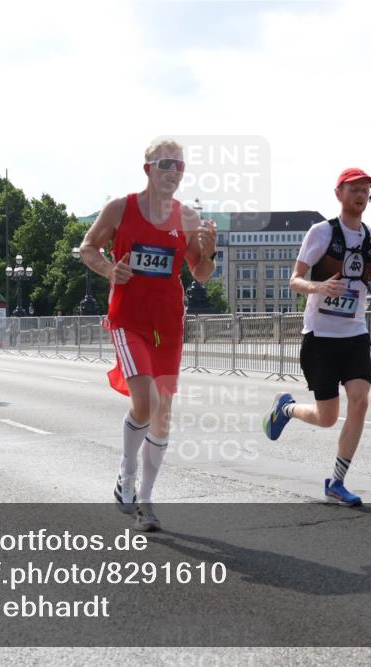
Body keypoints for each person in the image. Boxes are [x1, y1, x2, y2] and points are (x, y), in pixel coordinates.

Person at [79, 138, 217, 531]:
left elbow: (200, 273)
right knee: (146, 399)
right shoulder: (120, 208)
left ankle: (146, 500)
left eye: (179, 166)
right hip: (128, 319)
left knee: (163, 414)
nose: (173, 171)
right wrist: (109, 270)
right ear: (148, 170)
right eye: (165, 164)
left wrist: (209, 253)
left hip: (169, 323)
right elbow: (88, 248)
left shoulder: (187, 218)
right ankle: (126, 472)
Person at [262, 167, 371, 506]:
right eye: (354, 189)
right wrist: (318, 287)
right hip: (320, 336)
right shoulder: (321, 232)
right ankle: (287, 409)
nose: (361, 195)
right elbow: (295, 280)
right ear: (339, 194)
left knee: (361, 401)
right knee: (327, 418)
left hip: (355, 334)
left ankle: (337, 482)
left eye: (366, 189)